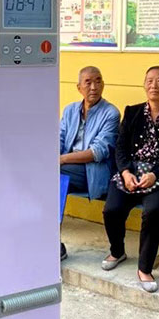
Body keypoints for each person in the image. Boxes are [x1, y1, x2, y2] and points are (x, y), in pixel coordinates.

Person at [101, 65, 159, 292]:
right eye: (149, 80)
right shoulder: (132, 112)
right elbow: (120, 148)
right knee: (112, 209)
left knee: (153, 211)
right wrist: (125, 172)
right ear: (144, 85)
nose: (154, 85)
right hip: (131, 173)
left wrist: (155, 174)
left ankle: (144, 268)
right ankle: (117, 251)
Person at [59, 66, 120, 260]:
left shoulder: (111, 113)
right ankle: (48, 239)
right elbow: (59, 138)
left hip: (93, 172)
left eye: (98, 81)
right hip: (65, 169)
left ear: (103, 85)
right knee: (47, 179)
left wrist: (61, 159)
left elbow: (98, 152)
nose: (94, 87)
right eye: (88, 82)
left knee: (51, 176)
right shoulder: (70, 110)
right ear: (79, 87)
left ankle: (50, 241)